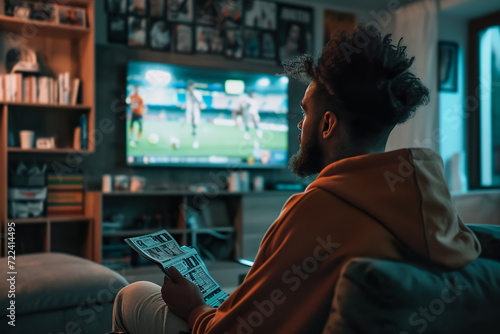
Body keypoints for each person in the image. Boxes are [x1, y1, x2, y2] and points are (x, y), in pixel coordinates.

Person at [111, 25, 481, 333]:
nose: (300, 124)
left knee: (131, 294)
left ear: (328, 124)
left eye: (305, 112)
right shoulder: (436, 212)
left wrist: (194, 309)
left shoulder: (314, 210)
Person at [185, 80, 204, 149]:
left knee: (195, 126)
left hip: (195, 112)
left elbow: (200, 102)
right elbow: (187, 103)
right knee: (191, 126)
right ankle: (192, 138)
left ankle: (196, 141)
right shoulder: (187, 94)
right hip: (189, 113)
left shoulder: (197, 93)